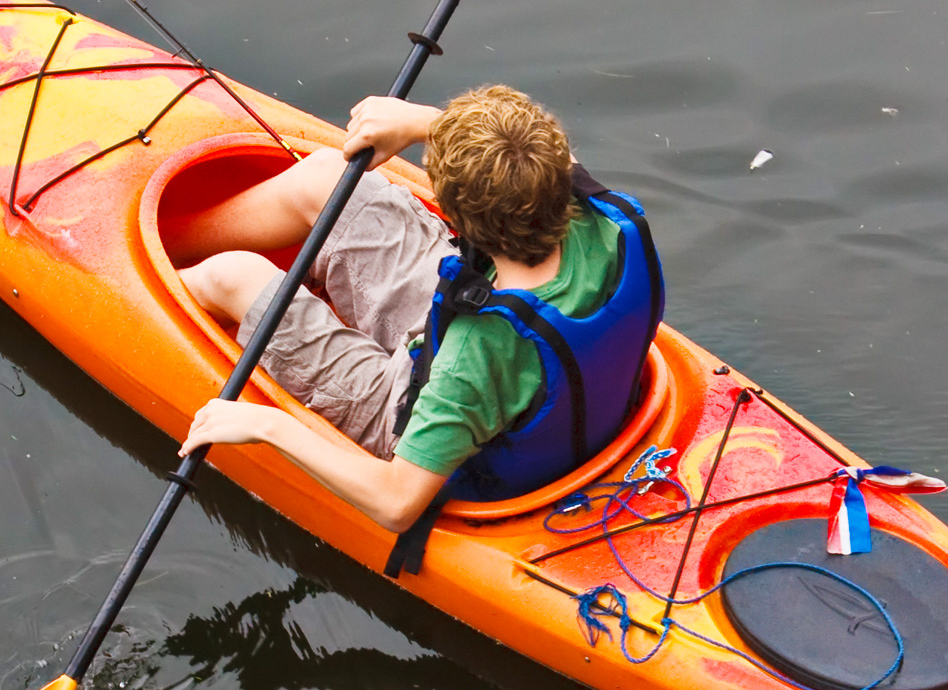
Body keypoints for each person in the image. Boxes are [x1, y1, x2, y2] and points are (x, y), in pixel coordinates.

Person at [169, 86, 664, 555]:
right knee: (327, 179)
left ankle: (137, 269)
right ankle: (170, 237)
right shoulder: (606, 215)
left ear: (455, 219)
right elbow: (538, 150)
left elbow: (397, 503)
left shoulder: (476, 355)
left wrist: (267, 425)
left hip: (413, 414)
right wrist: (418, 122)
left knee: (233, 277)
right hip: (512, 360)